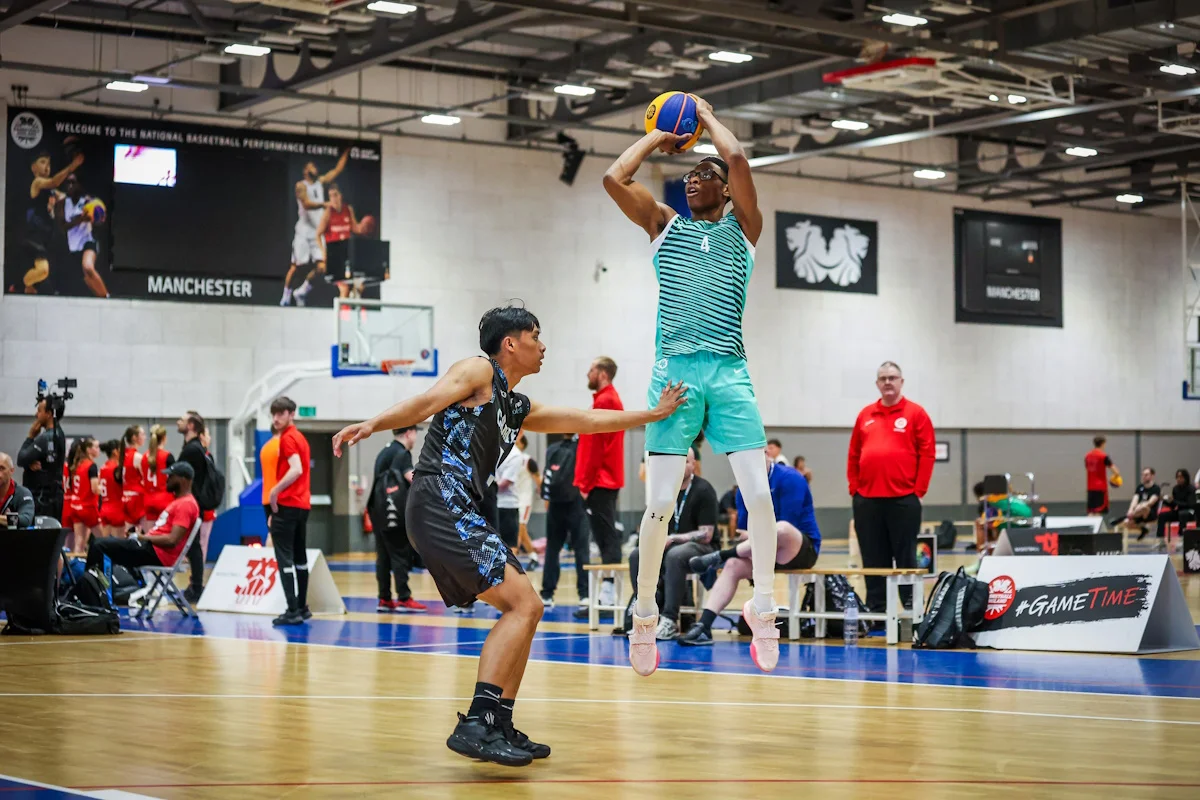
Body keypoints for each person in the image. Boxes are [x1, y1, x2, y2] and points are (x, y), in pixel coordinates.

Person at [331, 305, 685, 767]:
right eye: (536, 336)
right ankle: (476, 725)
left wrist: (653, 415)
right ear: (511, 343)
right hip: (439, 499)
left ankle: (498, 721)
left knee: (529, 608)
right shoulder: (478, 371)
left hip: (460, 507)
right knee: (523, 605)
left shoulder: (516, 406)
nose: (543, 346)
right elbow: (426, 401)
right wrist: (372, 424)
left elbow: (587, 420)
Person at [603, 95, 781, 675]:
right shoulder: (664, 225)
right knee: (659, 502)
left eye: (706, 174)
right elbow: (613, 178)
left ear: (726, 190)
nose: (694, 179)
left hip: (728, 370)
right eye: (689, 175)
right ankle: (646, 613)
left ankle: (763, 607)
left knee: (758, 495)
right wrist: (659, 135)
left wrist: (702, 115)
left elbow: (738, 158)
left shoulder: (744, 229)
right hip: (674, 373)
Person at [682, 456, 821, 645]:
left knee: (781, 529)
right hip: (762, 551)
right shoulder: (745, 487)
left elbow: (790, 524)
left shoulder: (790, 478)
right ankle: (703, 626)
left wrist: (755, 534)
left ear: (766, 454)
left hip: (798, 549)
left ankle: (721, 555)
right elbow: (743, 533)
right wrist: (754, 535)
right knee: (733, 565)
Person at [847, 361, 935, 617]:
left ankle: (911, 614)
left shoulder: (916, 413)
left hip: (903, 500)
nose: (888, 382)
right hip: (867, 501)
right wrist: (855, 488)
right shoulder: (865, 415)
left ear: (901, 382)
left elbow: (927, 453)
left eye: (892, 377)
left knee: (906, 559)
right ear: (877, 383)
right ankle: (877, 615)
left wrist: (918, 491)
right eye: (883, 378)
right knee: (873, 560)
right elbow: (854, 454)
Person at [627, 448, 718, 640]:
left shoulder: (704, 489)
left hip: (703, 548)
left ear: (693, 465)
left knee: (675, 555)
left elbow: (706, 534)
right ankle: (645, 610)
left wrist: (674, 538)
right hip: (669, 546)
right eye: (678, 461)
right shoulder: (664, 491)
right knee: (637, 554)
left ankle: (669, 619)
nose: (681, 466)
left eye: (686, 461)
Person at [573, 356, 625, 611]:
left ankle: (609, 594)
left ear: (603, 373)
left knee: (606, 538)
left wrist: (585, 482)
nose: (588, 373)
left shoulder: (605, 401)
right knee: (605, 537)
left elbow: (595, 448)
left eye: (592, 369)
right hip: (602, 480)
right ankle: (608, 593)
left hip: (599, 481)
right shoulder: (607, 399)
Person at [86, 461, 198, 573]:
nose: (167, 479)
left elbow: (172, 540)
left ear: (183, 479)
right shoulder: (180, 501)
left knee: (99, 545)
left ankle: (91, 583)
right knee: (104, 542)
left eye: (171, 476)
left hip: (156, 553)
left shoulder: (186, 504)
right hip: (150, 547)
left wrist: (142, 537)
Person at [267, 397, 313, 626]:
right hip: (302, 506)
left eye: (281, 414)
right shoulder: (301, 438)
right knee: (300, 558)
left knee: (284, 558)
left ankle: (292, 609)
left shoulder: (287, 439)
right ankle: (302, 607)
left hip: (288, 505)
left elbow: (296, 469)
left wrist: (274, 491)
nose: (276, 418)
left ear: (291, 414)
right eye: (274, 414)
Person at [370, 426, 425, 613]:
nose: (415, 437)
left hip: (378, 511)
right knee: (400, 553)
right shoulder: (402, 453)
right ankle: (404, 597)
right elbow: (412, 478)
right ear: (409, 433)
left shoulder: (384, 452)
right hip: (394, 511)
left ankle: (384, 598)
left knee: (383, 556)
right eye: (415, 433)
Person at [281, 151, 348, 306]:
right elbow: (306, 204)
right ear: (305, 170)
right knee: (296, 267)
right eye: (312, 166)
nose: (315, 169)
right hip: (303, 233)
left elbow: (337, 170)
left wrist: (347, 152)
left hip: (316, 232)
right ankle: (286, 294)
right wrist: (324, 204)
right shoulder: (301, 186)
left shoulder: (320, 182)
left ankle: (302, 291)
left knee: (322, 267)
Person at [22, 149, 83, 293]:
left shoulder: (51, 191)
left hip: (46, 237)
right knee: (43, 271)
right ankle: (19, 285)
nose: (47, 167)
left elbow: (65, 196)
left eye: (49, 164)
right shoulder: (37, 182)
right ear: (33, 167)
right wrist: (72, 166)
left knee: (41, 280)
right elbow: (54, 181)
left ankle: (28, 288)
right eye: (43, 162)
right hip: (33, 236)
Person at [539, 435, 588, 608]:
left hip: (555, 504)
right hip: (576, 503)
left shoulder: (552, 449)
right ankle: (585, 594)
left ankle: (547, 594)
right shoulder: (581, 447)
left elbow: (547, 476)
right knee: (581, 549)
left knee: (552, 549)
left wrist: (547, 500)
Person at [176, 411, 213, 603]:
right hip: (193, 503)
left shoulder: (192, 450)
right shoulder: (194, 448)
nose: (178, 422)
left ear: (191, 425)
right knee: (193, 546)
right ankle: (195, 584)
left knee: (195, 546)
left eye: (182, 420)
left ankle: (196, 586)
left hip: (193, 504)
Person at [55, 173, 108, 297]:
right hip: (73, 248)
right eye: (68, 182)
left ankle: (108, 298)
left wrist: (98, 218)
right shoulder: (62, 203)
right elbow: (62, 227)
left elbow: (100, 221)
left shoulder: (88, 201)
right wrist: (81, 219)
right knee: (88, 279)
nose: (70, 185)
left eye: (73, 182)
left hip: (87, 241)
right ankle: (104, 298)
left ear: (79, 184)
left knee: (88, 267)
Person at [17, 400, 66, 520]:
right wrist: (29, 464)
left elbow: (21, 459)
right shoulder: (59, 434)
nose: (36, 414)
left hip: (42, 498)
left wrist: (30, 436)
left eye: (39, 410)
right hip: (52, 496)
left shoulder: (46, 437)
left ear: (49, 413)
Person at [316, 182, 360, 300]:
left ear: (341, 195)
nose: (333, 199)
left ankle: (353, 310)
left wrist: (365, 226)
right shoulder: (328, 213)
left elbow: (356, 228)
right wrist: (324, 252)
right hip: (334, 258)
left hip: (347, 256)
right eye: (330, 196)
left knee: (359, 287)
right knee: (344, 289)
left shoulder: (348, 209)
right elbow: (318, 234)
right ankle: (341, 312)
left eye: (335, 195)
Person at [67, 436, 101, 550]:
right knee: (104, 539)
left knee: (79, 541)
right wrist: (107, 488)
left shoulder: (78, 465)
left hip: (75, 507)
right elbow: (95, 489)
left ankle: (76, 561)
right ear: (89, 450)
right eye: (96, 447)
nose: (98, 450)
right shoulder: (92, 466)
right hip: (87, 508)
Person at [496, 437, 525, 553]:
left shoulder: (515, 454)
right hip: (489, 502)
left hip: (507, 504)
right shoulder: (490, 448)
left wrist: (486, 489)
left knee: (509, 546)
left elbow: (506, 482)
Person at [514, 435, 539, 567]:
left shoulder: (528, 460)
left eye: (517, 441)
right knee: (519, 530)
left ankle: (513, 557)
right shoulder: (508, 459)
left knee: (520, 528)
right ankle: (533, 556)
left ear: (523, 444)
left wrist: (544, 495)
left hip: (524, 499)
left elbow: (538, 479)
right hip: (511, 499)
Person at [142, 425, 175, 524]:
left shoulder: (144, 457)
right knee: (164, 532)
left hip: (148, 499)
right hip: (164, 499)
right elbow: (175, 478)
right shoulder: (167, 456)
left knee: (151, 533)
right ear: (164, 438)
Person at [1156, 469, 1195, 549]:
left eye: (1181, 477)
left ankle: (1181, 539)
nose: (1179, 479)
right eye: (1177, 477)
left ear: (1186, 478)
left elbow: (1189, 504)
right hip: (1179, 511)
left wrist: (1174, 501)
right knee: (1162, 515)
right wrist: (1166, 501)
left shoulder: (1191, 489)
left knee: (1182, 514)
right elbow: (1174, 506)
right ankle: (1161, 540)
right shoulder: (1175, 489)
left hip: (1190, 512)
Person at [119, 425, 148, 531]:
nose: (145, 437)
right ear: (135, 438)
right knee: (148, 532)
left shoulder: (123, 455)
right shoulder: (137, 457)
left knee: (128, 533)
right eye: (142, 434)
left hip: (125, 497)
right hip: (137, 498)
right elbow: (146, 479)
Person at [1085, 436, 1121, 516]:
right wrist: (1114, 479)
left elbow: (1088, 468)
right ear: (1103, 444)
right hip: (1100, 487)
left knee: (1091, 511)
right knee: (1098, 511)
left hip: (1090, 487)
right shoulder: (1103, 456)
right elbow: (1116, 472)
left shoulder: (1087, 456)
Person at [1122, 468, 1161, 540]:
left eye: (1146, 475)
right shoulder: (1140, 487)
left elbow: (1150, 503)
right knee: (1126, 523)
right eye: (1143, 475)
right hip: (1138, 513)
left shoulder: (1156, 488)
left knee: (1144, 507)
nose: (1144, 476)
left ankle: (1129, 517)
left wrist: (1138, 507)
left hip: (1149, 514)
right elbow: (1135, 499)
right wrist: (1130, 510)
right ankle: (1143, 529)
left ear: (1152, 476)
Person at [98, 440, 126, 538]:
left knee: (105, 543)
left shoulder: (102, 468)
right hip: (117, 509)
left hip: (104, 509)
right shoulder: (116, 468)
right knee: (119, 543)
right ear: (115, 452)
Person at [0, 452, 36, 529]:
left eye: (2, 468)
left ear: (11, 471)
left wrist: (3, 519)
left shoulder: (22, 493)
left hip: (12, 536)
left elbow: (25, 521)